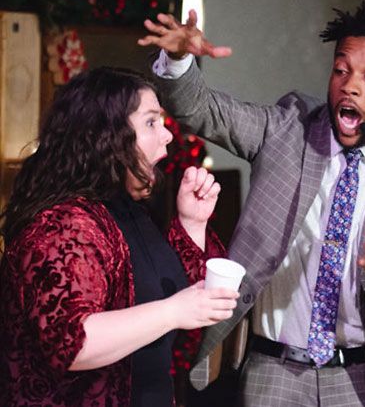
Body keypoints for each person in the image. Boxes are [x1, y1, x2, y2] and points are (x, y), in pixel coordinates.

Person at [138, 1, 365, 407]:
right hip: (273, 373)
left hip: (358, 383)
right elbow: (201, 110)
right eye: (341, 70)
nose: (350, 86)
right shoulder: (288, 128)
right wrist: (179, 60)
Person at [0, 66, 239, 407]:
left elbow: (176, 298)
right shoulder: (63, 224)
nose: (167, 135)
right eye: (151, 122)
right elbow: (74, 343)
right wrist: (173, 311)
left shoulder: (126, 209)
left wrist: (192, 222)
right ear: (106, 136)